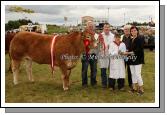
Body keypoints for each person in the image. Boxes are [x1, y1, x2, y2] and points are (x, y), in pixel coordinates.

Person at [128, 26, 145, 95]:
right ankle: (134, 88)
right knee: (133, 73)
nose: (133, 32)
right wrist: (126, 51)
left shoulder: (140, 38)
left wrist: (128, 53)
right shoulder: (131, 39)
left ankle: (141, 89)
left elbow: (139, 49)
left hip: (138, 59)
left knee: (138, 74)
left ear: (137, 31)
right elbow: (130, 49)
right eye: (132, 31)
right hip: (131, 59)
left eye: (134, 30)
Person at [81, 21, 98, 87]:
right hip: (86, 54)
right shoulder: (83, 34)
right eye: (89, 26)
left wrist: (96, 45)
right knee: (84, 70)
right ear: (87, 26)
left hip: (93, 53)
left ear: (93, 27)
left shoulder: (96, 35)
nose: (91, 27)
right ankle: (84, 83)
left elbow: (97, 43)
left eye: (92, 26)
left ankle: (93, 83)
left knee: (94, 69)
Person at [98, 23, 114, 88]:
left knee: (111, 70)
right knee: (103, 70)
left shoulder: (113, 36)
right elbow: (97, 45)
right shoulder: (100, 35)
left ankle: (111, 84)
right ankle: (104, 84)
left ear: (109, 28)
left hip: (110, 55)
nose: (107, 28)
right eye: (105, 27)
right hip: (102, 55)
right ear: (103, 28)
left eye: (108, 27)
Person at [121, 25, 133, 89]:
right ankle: (121, 83)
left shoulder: (133, 37)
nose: (127, 30)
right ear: (123, 30)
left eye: (128, 29)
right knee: (122, 70)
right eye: (125, 29)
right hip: (122, 56)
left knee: (130, 70)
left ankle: (130, 83)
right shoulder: (121, 37)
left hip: (130, 56)